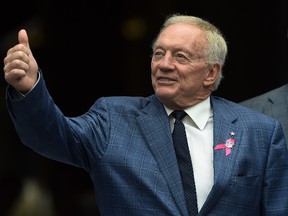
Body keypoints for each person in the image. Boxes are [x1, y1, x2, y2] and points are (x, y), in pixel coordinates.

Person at [3, 13, 288, 215]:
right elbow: (51, 136)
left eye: (180, 56)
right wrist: (30, 88)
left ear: (211, 72)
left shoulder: (259, 131)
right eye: (158, 54)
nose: (164, 65)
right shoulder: (113, 118)